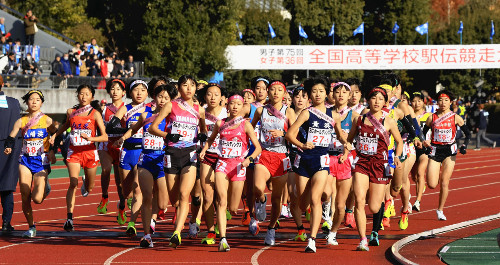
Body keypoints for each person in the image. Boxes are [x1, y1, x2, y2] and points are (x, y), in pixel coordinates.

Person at [285, 76, 351, 253]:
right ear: (309, 95)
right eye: (314, 91)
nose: (318, 94)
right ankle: (309, 221)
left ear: (327, 94)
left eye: (321, 91)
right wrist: (302, 144)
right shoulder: (306, 113)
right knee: (302, 204)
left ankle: (312, 240)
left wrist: (346, 144)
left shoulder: (334, 115)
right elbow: (290, 135)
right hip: (304, 159)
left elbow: (339, 135)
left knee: (316, 198)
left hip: (322, 159)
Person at [149, 75, 207, 248]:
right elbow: (153, 127)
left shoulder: (199, 109)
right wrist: (168, 135)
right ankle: (178, 223)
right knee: (174, 199)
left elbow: (203, 130)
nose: (189, 88)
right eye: (184, 85)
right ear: (179, 88)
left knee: (184, 194)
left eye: (192, 85)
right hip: (171, 154)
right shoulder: (171, 105)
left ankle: (177, 232)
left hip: (190, 154)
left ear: (196, 88)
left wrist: (202, 136)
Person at [199, 93, 261, 252]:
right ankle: (223, 239)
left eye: (238, 104)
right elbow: (211, 139)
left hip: (239, 166)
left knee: (233, 208)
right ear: (227, 106)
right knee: (221, 201)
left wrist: (250, 159)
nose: (234, 107)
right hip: (223, 164)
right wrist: (205, 150)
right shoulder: (220, 123)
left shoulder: (246, 125)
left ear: (243, 108)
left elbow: (258, 147)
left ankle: (231, 213)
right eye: (232, 104)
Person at [115, 84, 173, 248]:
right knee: (145, 196)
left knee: (162, 204)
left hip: (163, 162)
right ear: (154, 98)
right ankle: (146, 236)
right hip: (146, 159)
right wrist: (123, 138)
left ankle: (157, 215)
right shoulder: (145, 115)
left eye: (166, 98)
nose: (162, 100)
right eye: (160, 97)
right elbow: (134, 129)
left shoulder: (171, 119)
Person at [346, 86, 403, 251]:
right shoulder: (360, 120)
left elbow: (399, 142)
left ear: (385, 102)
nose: (376, 102)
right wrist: (346, 151)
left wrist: (397, 157)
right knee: (359, 200)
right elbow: (350, 140)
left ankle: (374, 229)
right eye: (373, 98)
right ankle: (363, 239)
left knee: (374, 207)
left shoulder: (389, 121)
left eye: (380, 99)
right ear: (368, 100)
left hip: (380, 165)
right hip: (362, 163)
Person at [50, 85, 108, 231]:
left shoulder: (95, 113)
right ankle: (69, 218)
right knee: (72, 184)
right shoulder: (71, 112)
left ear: (91, 97)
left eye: (86, 94)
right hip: (74, 152)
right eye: (81, 94)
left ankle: (86, 183)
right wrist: (55, 135)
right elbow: (64, 126)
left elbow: (105, 136)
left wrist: (91, 137)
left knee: (90, 187)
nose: (83, 96)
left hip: (90, 153)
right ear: (77, 96)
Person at [3, 90, 56, 237]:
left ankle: (45, 188)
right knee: (25, 195)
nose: (34, 101)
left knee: (37, 199)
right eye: (31, 99)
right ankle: (31, 226)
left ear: (41, 103)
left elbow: (57, 134)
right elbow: (11, 136)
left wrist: (52, 149)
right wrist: (8, 146)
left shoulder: (47, 120)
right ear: (27, 102)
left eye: (37, 99)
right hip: (25, 160)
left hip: (41, 161)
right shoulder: (21, 121)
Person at [251, 80, 296, 246]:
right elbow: (249, 129)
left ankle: (271, 229)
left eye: (279, 90)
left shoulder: (289, 112)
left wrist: (283, 133)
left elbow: (295, 134)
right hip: (264, 154)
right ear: (267, 93)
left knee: (277, 198)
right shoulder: (261, 110)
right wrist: (256, 143)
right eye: (272, 90)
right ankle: (261, 200)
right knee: (257, 187)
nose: (276, 93)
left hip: (281, 157)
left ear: (284, 94)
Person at [107, 80, 150, 235]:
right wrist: (114, 123)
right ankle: (126, 203)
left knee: (137, 189)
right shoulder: (126, 108)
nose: (139, 93)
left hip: (142, 151)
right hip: (126, 151)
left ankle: (132, 223)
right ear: (130, 93)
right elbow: (114, 120)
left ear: (147, 93)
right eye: (136, 90)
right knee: (127, 192)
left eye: (143, 90)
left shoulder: (149, 108)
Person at [423, 90, 470, 221]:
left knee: (444, 182)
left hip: (450, 152)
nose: (443, 103)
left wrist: (464, 145)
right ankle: (435, 172)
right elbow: (423, 133)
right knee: (432, 184)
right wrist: (424, 141)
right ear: (437, 102)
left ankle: (440, 210)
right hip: (435, 150)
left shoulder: (455, 117)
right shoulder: (431, 117)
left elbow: (468, 134)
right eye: (440, 100)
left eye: (446, 100)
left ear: (450, 102)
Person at [326, 82, 359, 246]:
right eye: (337, 92)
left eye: (344, 92)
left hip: (344, 161)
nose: (340, 95)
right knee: (326, 194)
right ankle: (326, 213)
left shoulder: (354, 116)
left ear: (349, 96)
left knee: (340, 205)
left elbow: (358, 139)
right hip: (327, 158)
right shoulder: (326, 113)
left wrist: (347, 150)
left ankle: (333, 232)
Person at [197, 83, 226, 245]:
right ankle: (210, 231)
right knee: (207, 196)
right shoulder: (200, 113)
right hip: (206, 156)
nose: (213, 97)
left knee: (222, 198)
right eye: (209, 94)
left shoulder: (227, 113)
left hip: (225, 158)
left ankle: (222, 227)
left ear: (222, 97)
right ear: (205, 96)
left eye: (216, 94)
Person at [96, 79, 126, 217]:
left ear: (124, 93)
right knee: (106, 169)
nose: (115, 91)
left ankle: (121, 207)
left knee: (120, 182)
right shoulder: (104, 109)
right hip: (106, 144)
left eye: (118, 89)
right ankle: (104, 197)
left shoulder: (127, 108)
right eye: (113, 88)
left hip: (121, 145)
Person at [0, 76, 21, 233]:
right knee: (7, 188)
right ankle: (6, 223)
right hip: (10, 147)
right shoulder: (13, 103)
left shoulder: (13, 102)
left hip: (7, 145)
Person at [410, 92, 431, 212]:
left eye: (419, 101)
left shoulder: (428, 116)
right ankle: (421, 186)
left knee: (420, 173)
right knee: (414, 177)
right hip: (412, 148)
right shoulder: (408, 116)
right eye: (414, 101)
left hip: (424, 149)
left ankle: (417, 201)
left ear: (423, 102)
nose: (416, 103)